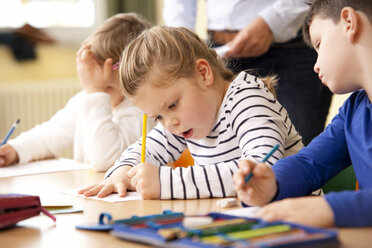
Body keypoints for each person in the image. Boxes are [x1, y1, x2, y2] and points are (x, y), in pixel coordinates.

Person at [78, 26, 303, 200]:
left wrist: (165, 182)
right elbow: (146, 149)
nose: (169, 124)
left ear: (203, 73)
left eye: (173, 105)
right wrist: (122, 172)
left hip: (295, 221)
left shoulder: (248, 98)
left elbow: (260, 170)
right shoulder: (183, 120)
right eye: (158, 117)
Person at [233, 0, 372, 227]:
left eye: (319, 43)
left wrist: (327, 208)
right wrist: (270, 185)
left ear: (348, 22)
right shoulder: (353, 111)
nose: (315, 66)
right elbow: (309, 163)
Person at [163, 0, 333, 146]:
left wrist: (272, 21)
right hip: (219, 52)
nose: (169, 123)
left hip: (291, 48)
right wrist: (181, 50)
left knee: (297, 150)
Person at [0, 13, 153, 172]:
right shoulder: (86, 99)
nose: (95, 81)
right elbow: (50, 135)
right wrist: (15, 150)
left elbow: (105, 161)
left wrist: (96, 92)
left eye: (105, 86)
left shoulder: (140, 110)